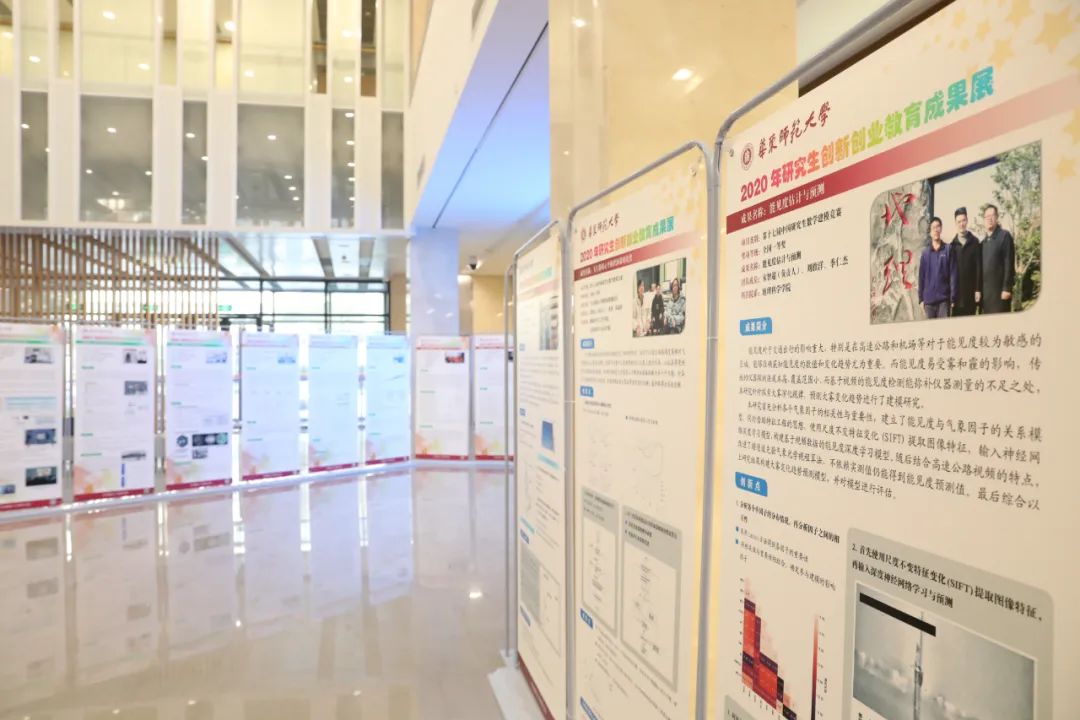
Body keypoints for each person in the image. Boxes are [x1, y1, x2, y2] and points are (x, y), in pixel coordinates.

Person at [917, 216, 957, 319]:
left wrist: (953, 298)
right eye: (933, 227)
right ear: (930, 232)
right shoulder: (925, 253)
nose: (936, 230)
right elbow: (921, 277)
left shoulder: (948, 250)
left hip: (944, 301)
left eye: (938, 226)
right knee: (930, 329)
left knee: (944, 328)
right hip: (929, 302)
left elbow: (953, 275)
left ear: (941, 228)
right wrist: (921, 299)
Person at [980, 203, 1015, 313]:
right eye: (987, 216)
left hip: (1000, 294)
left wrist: (1007, 288)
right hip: (986, 297)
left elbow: (1009, 263)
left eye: (992, 215)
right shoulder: (983, 243)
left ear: (997, 217)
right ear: (984, 219)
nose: (989, 219)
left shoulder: (1004, 236)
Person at [949, 206, 982, 316]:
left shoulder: (975, 242)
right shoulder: (952, 246)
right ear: (955, 223)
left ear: (967, 220)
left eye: (963, 220)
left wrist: (978, 289)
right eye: (959, 222)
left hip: (971, 294)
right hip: (956, 296)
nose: (961, 224)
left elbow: (978, 267)